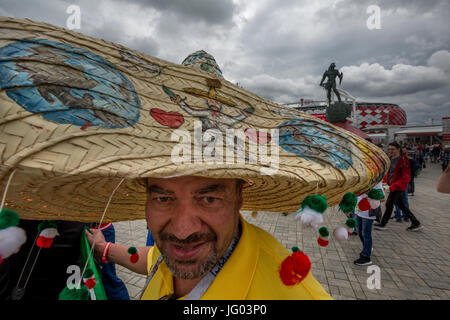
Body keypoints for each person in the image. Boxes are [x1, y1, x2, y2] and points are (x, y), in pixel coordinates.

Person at [86, 176, 332, 300]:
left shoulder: (294, 293)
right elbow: (155, 260)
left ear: (239, 198)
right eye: (163, 198)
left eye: (209, 199)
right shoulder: (179, 250)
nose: (182, 232)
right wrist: (103, 248)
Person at [374, 142, 423, 231]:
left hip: (398, 187)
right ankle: (416, 223)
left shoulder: (403, 160)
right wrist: (385, 182)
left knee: (389, 204)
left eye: (392, 149)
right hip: (392, 186)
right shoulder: (390, 158)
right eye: (389, 149)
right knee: (401, 205)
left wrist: (393, 186)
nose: (390, 151)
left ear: (398, 149)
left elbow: (406, 177)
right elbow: (388, 173)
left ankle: (383, 223)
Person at [354, 181, 385, 266]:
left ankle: (366, 257)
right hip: (358, 210)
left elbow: (382, 198)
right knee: (360, 233)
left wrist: (367, 191)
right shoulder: (361, 180)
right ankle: (367, 248)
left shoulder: (376, 182)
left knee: (366, 234)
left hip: (368, 213)